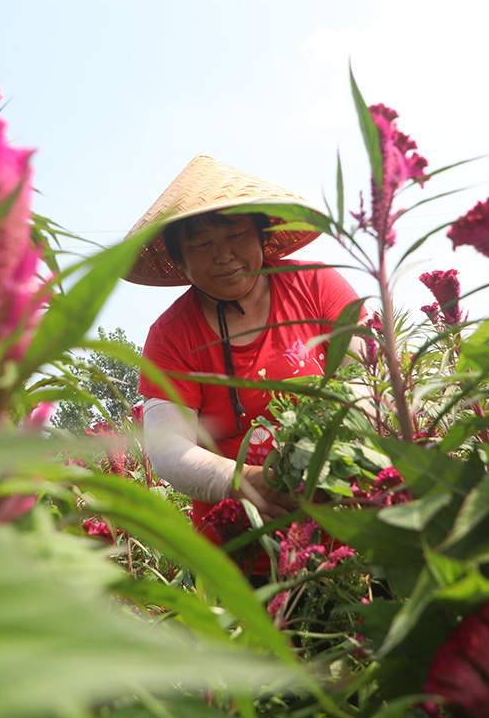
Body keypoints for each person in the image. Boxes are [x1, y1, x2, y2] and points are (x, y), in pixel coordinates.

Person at [125, 154, 361, 547]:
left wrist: (328, 460)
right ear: (179, 260)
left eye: (235, 235)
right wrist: (243, 482)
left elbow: (365, 381)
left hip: (346, 516)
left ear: (261, 234)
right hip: (239, 543)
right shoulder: (171, 336)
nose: (224, 255)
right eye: (201, 244)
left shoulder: (316, 283)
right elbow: (167, 449)